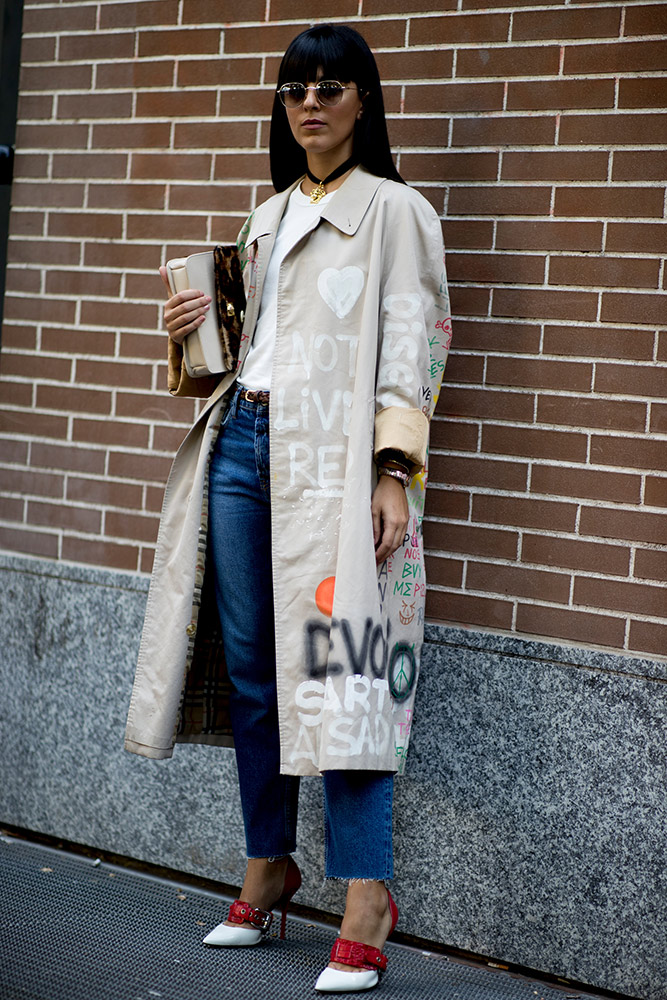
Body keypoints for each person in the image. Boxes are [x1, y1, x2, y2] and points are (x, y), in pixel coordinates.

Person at [125, 22, 451, 993]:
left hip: (337, 472)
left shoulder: (397, 212)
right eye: (294, 88)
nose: (310, 102)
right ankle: (269, 864)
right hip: (242, 449)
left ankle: (366, 894)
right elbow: (221, 362)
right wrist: (187, 331)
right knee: (254, 669)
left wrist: (395, 469)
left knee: (345, 666)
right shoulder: (260, 219)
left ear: (362, 100)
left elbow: (417, 341)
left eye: (330, 85)